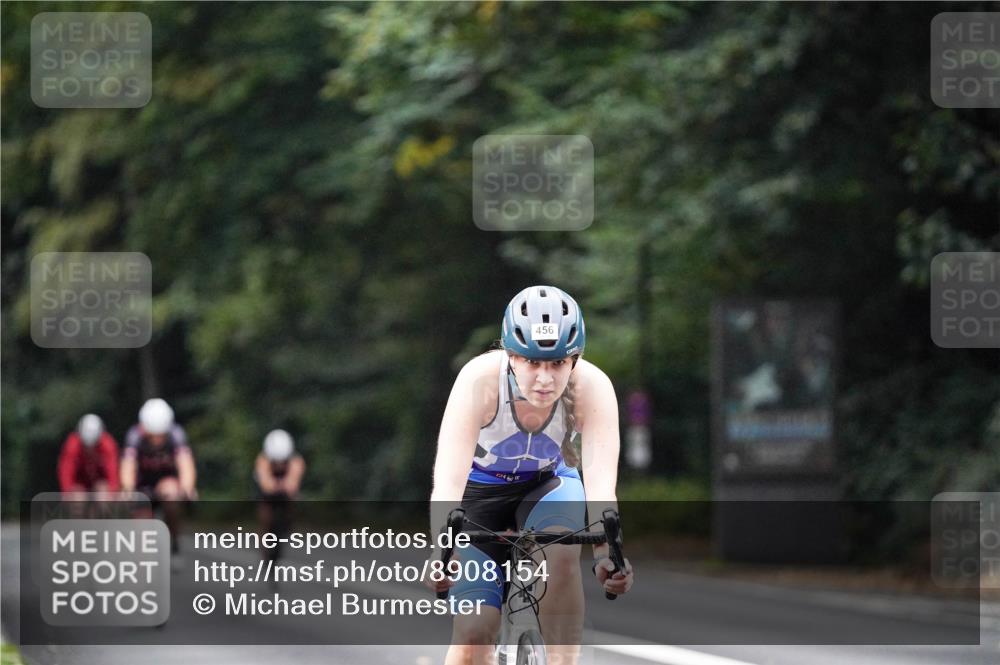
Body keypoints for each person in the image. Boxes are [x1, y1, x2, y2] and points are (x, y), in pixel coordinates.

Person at [426, 285, 634, 665]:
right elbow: (449, 479)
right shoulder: (478, 381)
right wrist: (443, 549)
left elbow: (601, 486)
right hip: (479, 496)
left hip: (548, 486)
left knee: (563, 557)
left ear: (575, 360)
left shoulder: (592, 387)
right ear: (510, 356)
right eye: (532, 362)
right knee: (473, 635)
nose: (544, 378)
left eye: (557, 363)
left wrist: (607, 555)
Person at [120, 398, 197, 553]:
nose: (157, 441)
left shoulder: (176, 434)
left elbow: (185, 463)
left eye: (161, 435)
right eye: (152, 436)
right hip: (143, 485)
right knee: (140, 520)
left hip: (167, 482)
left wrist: (187, 487)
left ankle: (173, 538)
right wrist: (127, 488)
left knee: (172, 494)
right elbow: (128, 465)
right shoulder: (134, 435)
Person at [254, 429, 306, 565]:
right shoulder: (262, 460)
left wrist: (286, 487)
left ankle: (285, 530)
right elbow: (266, 484)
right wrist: (276, 486)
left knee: (291, 511)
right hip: (267, 494)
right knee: (265, 518)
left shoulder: (296, 461)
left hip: (285, 493)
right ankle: (265, 548)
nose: (279, 464)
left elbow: (293, 483)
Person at [57, 414, 121, 494]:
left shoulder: (108, 445)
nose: (90, 450)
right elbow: (66, 472)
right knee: (77, 495)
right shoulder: (72, 445)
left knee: (104, 492)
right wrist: (67, 493)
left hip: (100, 481)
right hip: (80, 482)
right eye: (86, 446)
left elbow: (112, 473)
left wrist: (113, 493)